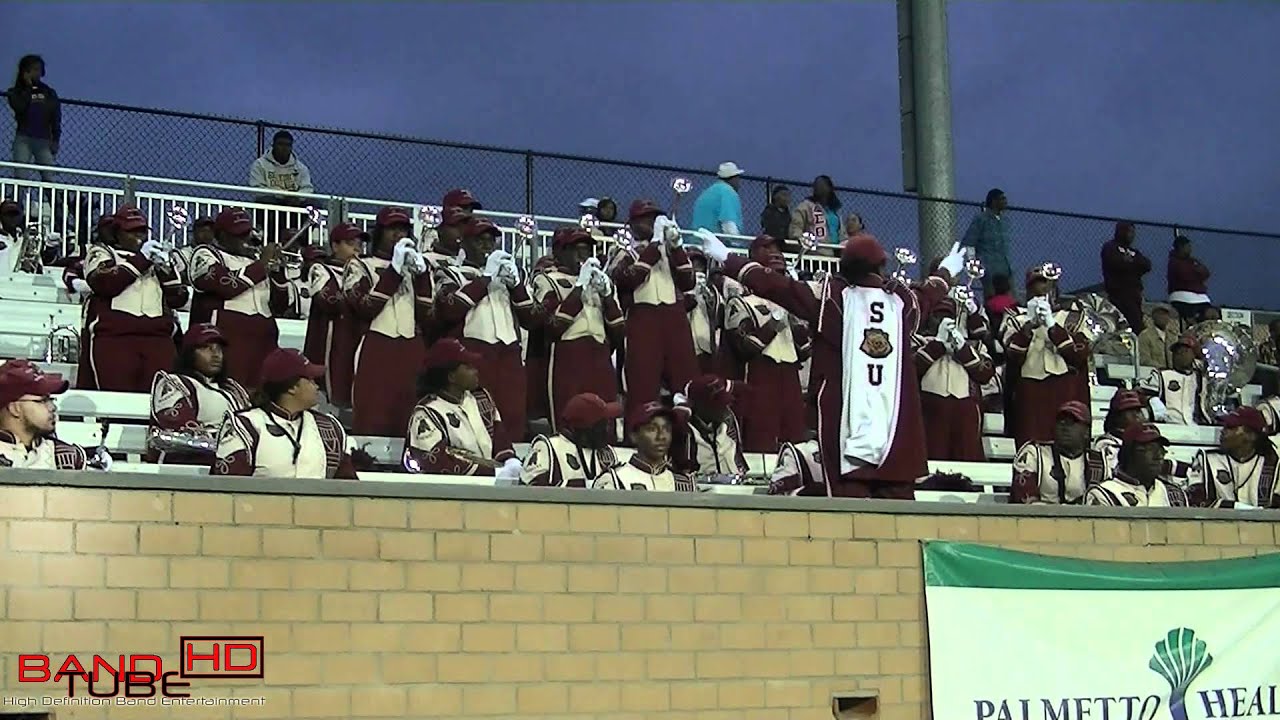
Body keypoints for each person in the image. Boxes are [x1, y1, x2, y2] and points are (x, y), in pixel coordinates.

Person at [698, 229, 966, 498]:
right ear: (881, 265)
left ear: (845, 266)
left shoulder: (832, 298)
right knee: (898, 515)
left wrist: (728, 258)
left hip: (845, 433)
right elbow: (929, 294)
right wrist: (945, 272)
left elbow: (776, 286)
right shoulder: (901, 302)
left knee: (848, 514)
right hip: (895, 436)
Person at [436, 217, 538, 441]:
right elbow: (449, 310)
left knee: (512, 415)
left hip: (509, 354)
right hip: (473, 353)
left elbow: (531, 319)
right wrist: (484, 280)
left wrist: (517, 287)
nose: (487, 246)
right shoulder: (451, 272)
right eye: (479, 240)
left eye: (491, 241)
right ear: (464, 243)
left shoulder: (509, 277)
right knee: (476, 416)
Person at [343, 207, 432, 436]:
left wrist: (422, 277)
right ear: (379, 233)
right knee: (373, 410)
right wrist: (393, 271)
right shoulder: (360, 265)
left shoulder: (416, 269)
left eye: (403, 229)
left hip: (412, 344)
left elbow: (426, 316)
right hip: (377, 342)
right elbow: (364, 308)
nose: (398, 234)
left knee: (411, 411)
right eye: (392, 229)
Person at [82, 206, 187, 393]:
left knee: (160, 397)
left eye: (142, 230)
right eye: (131, 231)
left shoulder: (154, 257)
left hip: (158, 339)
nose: (139, 235)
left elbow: (178, 298)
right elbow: (103, 282)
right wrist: (141, 259)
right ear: (117, 233)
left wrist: (166, 268)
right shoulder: (102, 252)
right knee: (116, 397)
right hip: (117, 338)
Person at [530, 227, 623, 435]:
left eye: (588, 250)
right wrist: (579, 287)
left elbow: (619, 333)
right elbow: (553, 327)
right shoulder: (547, 280)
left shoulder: (603, 283)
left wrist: (607, 296)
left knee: (605, 420)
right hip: (568, 353)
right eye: (577, 249)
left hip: (600, 354)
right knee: (568, 421)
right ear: (559, 252)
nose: (584, 256)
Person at [610, 200, 699, 417]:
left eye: (654, 218)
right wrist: (653, 247)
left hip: (674, 318)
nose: (651, 223)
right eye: (645, 218)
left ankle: (688, 435)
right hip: (642, 319)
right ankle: (639, 435)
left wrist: (676, 247)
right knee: (643, 381)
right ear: (632, 224)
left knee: (685, 379)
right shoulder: (625, 252)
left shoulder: (671, 253)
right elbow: (626, 279)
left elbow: (689, 282)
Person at [211, 349, 356, 478]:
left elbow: (348, 489)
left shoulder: (329, 427)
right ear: (292, 387)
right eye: (311, 380)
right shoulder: (245, 426)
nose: (317, 386)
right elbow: (227, 491)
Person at [722, 235, 807, 453]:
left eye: (778, 248)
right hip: (760, 372)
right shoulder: (741, 302)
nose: (776, 253)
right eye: (767, 248)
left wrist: (807, 323)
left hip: (789, 374)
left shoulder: (792, 305)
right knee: (762, 433)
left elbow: (804, 350)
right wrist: (774, 322)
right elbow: (746, 345)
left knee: (795, 431)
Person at [189, 208, 289, 388]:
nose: (245, 238)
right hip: (230, 336)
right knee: (230, 390)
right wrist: (262, 265)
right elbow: (225, 286)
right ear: (221, 235)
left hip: (265, 337)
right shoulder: (206, 254)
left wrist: (279, 272)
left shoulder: (257, 261)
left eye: (247, 233)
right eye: (238, 234)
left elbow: (280, 306)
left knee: (264, 391)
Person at [402, 338, 521, 480]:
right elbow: (434, 462)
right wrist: (492, 473)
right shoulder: (427, 413)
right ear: (451, 377)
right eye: (468, 367)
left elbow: (499, 435)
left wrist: (509, 460)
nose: (476, 371)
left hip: (491, 486)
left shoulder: (480, 398)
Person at [1002, 265, 1092, 448]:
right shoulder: (1015, 317)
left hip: (1066, 387)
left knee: (1067, 444)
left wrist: (1053, 327)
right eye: (1037, 283)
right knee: (1031, 444)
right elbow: (1012, 355)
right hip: (1029, 388)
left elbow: (1079, 354)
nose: (1043, 288)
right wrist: (1029, 326)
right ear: (1028, 289)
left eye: (1047, 282)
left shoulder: (1073, 317)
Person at [149, 324, 251, 465]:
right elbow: (178, 430)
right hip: (190, 464)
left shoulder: (233, 389)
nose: (215, 354)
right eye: (206, 347)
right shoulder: (175, 383)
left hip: (235, 460)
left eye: (218, 348)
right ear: (189, 353)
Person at [915, 297, 996, 461]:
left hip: (965, 413)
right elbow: (912, 370)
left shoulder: (975, 346)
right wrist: (938, 345)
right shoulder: (919, 342)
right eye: (938, 316)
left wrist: (962, 348)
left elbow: (985, 374)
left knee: (967, 458)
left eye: (949, 317)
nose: (944, 321)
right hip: (930, 413)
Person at [0, 359, 101, 470]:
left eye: (51, 399)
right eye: (42, 401)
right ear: (15, 409)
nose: (52, 407)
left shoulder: (68, 457)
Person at [304, 223, 363, 409]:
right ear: (335, 245)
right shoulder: (320, 269)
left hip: (353, 337)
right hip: (329, 342)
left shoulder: (363, 270)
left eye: (359, 243)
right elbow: (329, 301)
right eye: (350, 242)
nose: (357, 247)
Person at [1010, 401, 1106, 504]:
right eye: (1061, 421)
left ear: (1087, 432)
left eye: (1071, 422)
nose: (1064, 427)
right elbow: (1023, 498)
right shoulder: (1034, 453)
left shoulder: (1098, 461)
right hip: (1040, 518)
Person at [521, 392, 622, 487]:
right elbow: (530, 490)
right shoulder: (548, 447)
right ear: (584, 428)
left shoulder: (606, 452)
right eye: (602, 424)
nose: (608, 428)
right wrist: (587, 486)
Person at [594, 401, 695, 492]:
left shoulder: (684, 484)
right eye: (652, 429)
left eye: (666, 429)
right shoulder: (614, 479)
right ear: (634, 436)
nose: (661, 436)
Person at [1189, 407, 1279, 509]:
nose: (1223, 431)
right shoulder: (1207, 459)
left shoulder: (1272, 464)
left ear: (1251, 436)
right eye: (1224, 426)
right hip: (1217, 523)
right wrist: (1242, 508)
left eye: (1230, 427)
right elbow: (1197, 501)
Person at [1085, 423, 1189, 507]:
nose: (1158, 456)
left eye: (1161, 451)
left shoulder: (1174, 494)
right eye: (1149, 450)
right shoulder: (1104, 493)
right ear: (1129, 454)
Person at [671, 375, 748, 478]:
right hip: (701, 491)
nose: (724, 408)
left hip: (733, 487)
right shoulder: (685, 431)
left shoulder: (728, 419)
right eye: (718, 404)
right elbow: (684, 474)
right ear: (700, 406)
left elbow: (739, 462)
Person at [7, 55, 60, 183]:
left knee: (49, 176)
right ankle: (18, 201)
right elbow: (19, 108)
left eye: (39, 70)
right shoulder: (15, 92)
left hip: (43, 139)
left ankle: (55, 202)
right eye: (33, 70)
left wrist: (55, 138)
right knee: (21, 176)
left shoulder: (48, 92)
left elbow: (55, 116)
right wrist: (28, 88)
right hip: (24, 138)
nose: (37, 73)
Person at [1139, 335, 1209, 425]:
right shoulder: (1161, 375)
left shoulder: (1200, 379)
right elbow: (1143, 393)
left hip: (1196, 427)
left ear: (1193, 355)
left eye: (1185, 351)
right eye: (1176, 352)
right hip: (1168, 425)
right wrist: (1153, 402)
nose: (1179, 354)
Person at [1100, 221, 1151, 332]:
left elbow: (1147, 265)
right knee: (1128, 323)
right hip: (1118, 293)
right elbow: (1116, 264)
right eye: (1129, 232)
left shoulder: (1134, 251)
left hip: (1135, 293)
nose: (1132, 235)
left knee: (1137, 323)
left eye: (1133, 232)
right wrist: (1133, 265)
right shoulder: (1110, 247)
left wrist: (1130, 262)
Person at [960, 189, 1012, 296]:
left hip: (1006, 267)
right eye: (1002, 199)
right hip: (989, 268)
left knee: (1009, 297)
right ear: (994, 201)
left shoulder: (1004, 220)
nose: (1006, 201)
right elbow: (970, 242)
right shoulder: (981, 219)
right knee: (991, 296)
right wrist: (973, 263)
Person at [248, 130, 314, 196]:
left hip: (295, 201)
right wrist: (280, 195)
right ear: (273, 145)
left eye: (287, 145)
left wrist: (297, 197)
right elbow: (257, 188)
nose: (284, 148)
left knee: (314, 203)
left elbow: (307, 188)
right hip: (270, 201)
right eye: (280, 144)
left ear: (291, 147)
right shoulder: (260, 164)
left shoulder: (300, 168)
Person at [1167, 234, 1211, 328]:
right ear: (1181, 247)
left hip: (1201, 296)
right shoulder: (1174, 262)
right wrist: (1196, 273)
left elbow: (1206, 273)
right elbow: (1184, 276)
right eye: (1188, 246)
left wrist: (1196, 272)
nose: (1190, 249)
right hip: (1182, 296)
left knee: (1212, 314)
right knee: (1191, 320)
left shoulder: (1193, 260)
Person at [691, 161, 745, 237]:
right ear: (734, 178)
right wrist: (737, 244)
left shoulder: (706, 193)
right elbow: (729, 225)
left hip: (696, 242)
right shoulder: (728, 192)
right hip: (715, 244)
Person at [789, 175, 844, 248]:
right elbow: (796, 227)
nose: (818, 187)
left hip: (836, 251)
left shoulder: (834, 211)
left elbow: (842, 232)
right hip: (816, 252)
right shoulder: (806, 206)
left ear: (829, 188)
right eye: (816, 185)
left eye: (821, 184)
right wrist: (803, 242)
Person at [0, 199, 42, 274]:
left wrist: (30, 265)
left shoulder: (27, 241)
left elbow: (39, 269)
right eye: (8, 214)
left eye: (15, 214)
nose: (12, 218)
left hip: (22, 282)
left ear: (21, 216)